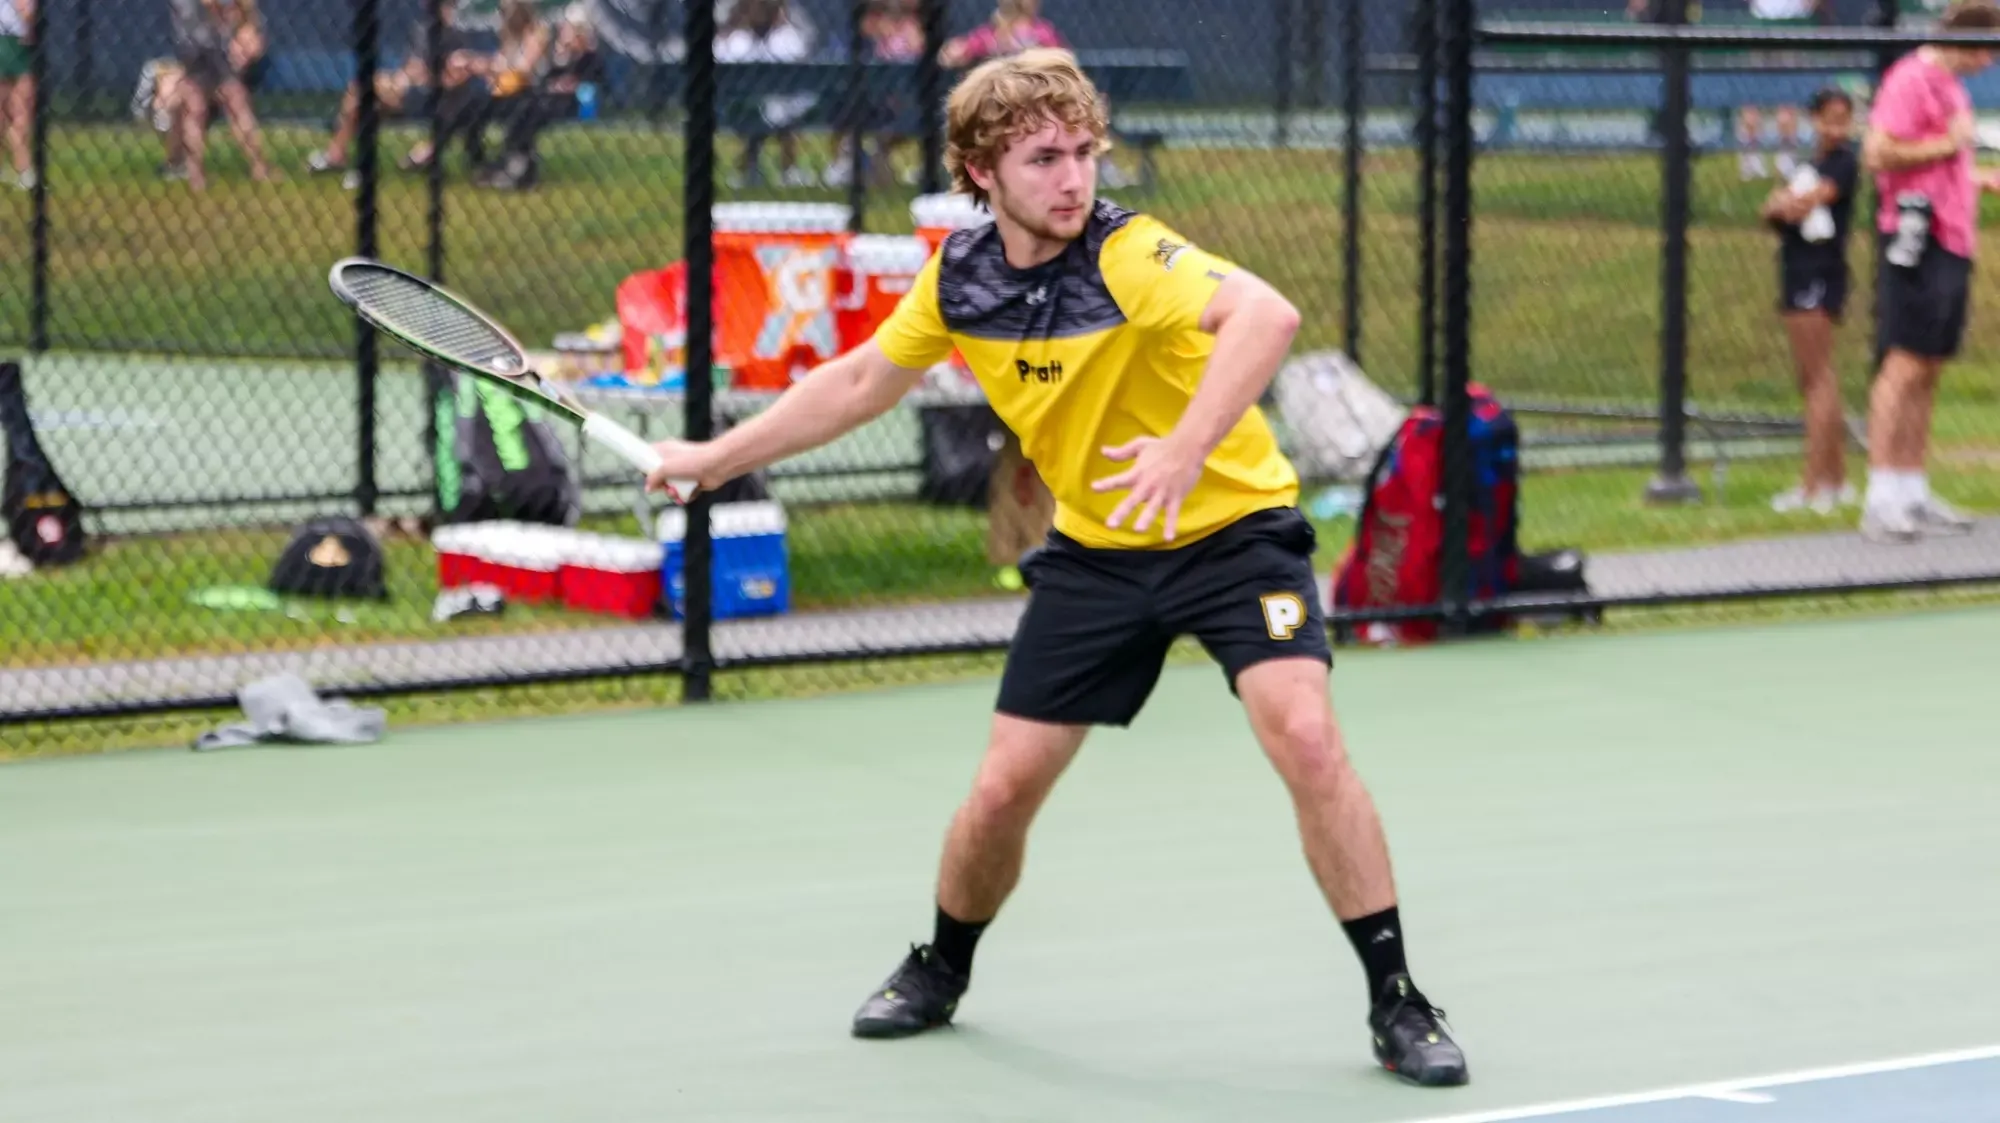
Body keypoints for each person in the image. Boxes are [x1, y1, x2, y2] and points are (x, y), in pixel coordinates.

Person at [641, 48, 1470, 1088]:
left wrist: (1181, 450)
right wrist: (713, 461)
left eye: (1082, 152)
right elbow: (857, 381)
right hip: (1097, 554)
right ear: (980, 170)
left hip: (1231, 532)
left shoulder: (1128, 253)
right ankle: (939, 965)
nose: (1072, 178)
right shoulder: (959, 278)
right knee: (1000, 791)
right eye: (1042, 158)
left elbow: (1266, 318)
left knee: (1304, 734)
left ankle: (1396, 1000)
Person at [1858, 0, 2000, 543]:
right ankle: (1879, 496)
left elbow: (1941, 160)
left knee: (1931, 366)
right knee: (1903, 363)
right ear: (1965, 42)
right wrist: (1950, 143)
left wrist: (1975, 177)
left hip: (1954, 239)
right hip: (1918, 239)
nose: (1988, 62)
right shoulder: (1910, 78)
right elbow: (1877, 153)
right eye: (1986, 50)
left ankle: (1911, 490)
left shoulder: (1950, 87)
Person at [1761, 87, 1859, 514]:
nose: (1836, 128)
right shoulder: (1810, 163)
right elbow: (1772, 210)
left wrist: (1786, 203)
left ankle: (1812, 486)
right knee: (1811, 378)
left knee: (1820, 377)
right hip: (1795, 271)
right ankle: (1836, 481)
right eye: (1828, 119)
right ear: (1814, 120)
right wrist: (1780, 205)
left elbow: (1803, 203)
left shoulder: (1844, 163)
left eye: (1844, 119)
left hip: (1819, 276)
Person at [0, 0, 32, 191]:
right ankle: (24, 170)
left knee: (12, 112)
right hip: (10, 42)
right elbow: (25, 8)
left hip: (14, 42)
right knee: (17, 113)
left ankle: (22, 169)